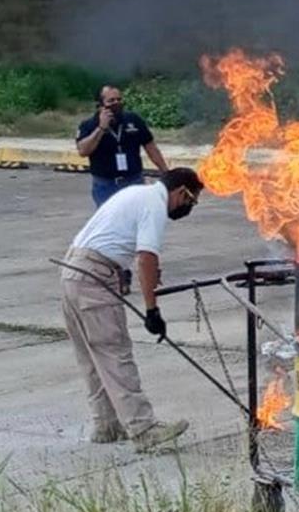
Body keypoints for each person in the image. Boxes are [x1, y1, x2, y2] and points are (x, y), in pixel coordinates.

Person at [57, 167, 205, 453]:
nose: (188, 208)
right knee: (115, 353)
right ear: (180, 192)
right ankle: (143, 428)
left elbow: (131, 251)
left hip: (73, 273)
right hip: (93, 278)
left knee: (92, 355)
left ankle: (107, 425)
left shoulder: (136, 194)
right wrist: (152, 310)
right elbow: (146, 257)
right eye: (190, 201)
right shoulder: (156, 205)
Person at [75, 85, 169, 207]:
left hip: (134, 181)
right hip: (106, 185)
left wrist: (165, 172)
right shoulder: (88, 125)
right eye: (111, 101)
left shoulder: (133, 120)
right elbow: (83, 151)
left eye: (119, 99)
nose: (116, 103)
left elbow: (151, 147)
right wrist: (101, 128)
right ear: (100, 104)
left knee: (136, 220)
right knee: (111, 223)